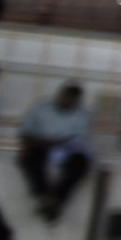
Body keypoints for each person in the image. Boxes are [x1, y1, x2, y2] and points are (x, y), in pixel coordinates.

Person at [16, 82, 96, 224]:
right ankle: (45, 197)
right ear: (60, 95)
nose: (68, 102)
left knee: (80, 163)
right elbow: (25, 131)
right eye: (66, 98)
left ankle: (56, 198)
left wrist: (52, 142)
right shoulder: (41, 109)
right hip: (38, 145)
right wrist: (31, 144)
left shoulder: (83, 114)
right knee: (28, 160)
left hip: (65, 148)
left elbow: (77, 138)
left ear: (77, 101)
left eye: (72, 100)